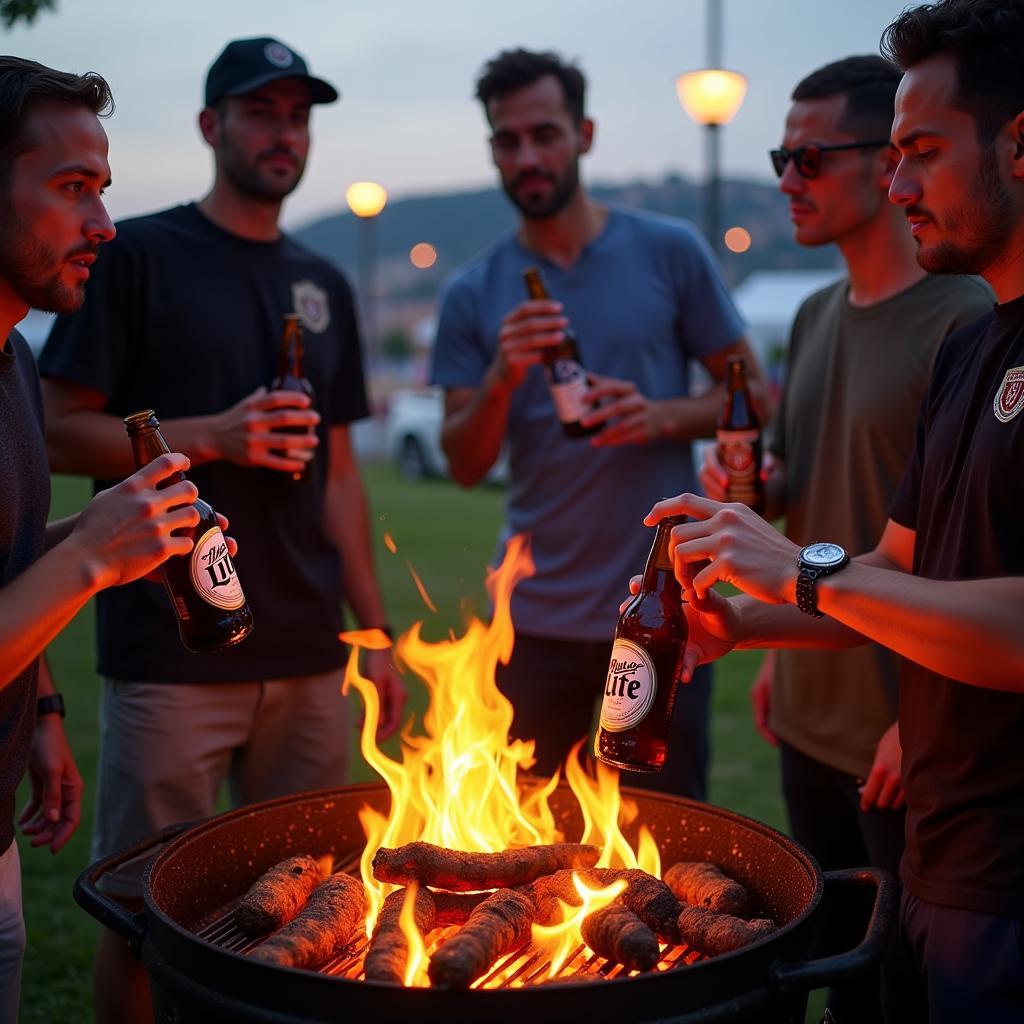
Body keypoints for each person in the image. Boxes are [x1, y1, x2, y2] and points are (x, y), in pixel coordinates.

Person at [646, 2, 1024, 1018]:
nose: (901, 185)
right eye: (894, 155)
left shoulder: (949, 327)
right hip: (947, 842)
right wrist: (747, 620)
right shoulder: (971, 347)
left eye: (924, 152)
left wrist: (801, 570)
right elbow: (895, 562)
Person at [38, 37, 405, 1023]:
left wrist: (373, 632)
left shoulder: (323, 279)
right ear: (211, 127)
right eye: (260, 111)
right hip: (170, 650)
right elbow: (56, 424)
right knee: (149, 912)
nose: (283, 132)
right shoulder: (137, 252)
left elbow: (338, 482)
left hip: (307, 656)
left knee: (307, 915)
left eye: (298, 115)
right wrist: (214, 435)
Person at [431, 48, 763, 798]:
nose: (529, 156)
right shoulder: (473, 290)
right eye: (508, 141)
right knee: (517, 857)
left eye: (545, 133)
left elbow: (754, 397)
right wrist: (501, 376)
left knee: (664, 849)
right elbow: (461, 462)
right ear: (492, 151)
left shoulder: (668, 249)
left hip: (657, 607)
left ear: (585, 133)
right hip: (530, 620)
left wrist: (657, 415)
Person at [0, 57, 223, 1024]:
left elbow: (9, 557)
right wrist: (91, 555)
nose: (103, 226)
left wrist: (42, 707)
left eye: (103, 190)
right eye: (70, 190)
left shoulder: (10, 355)